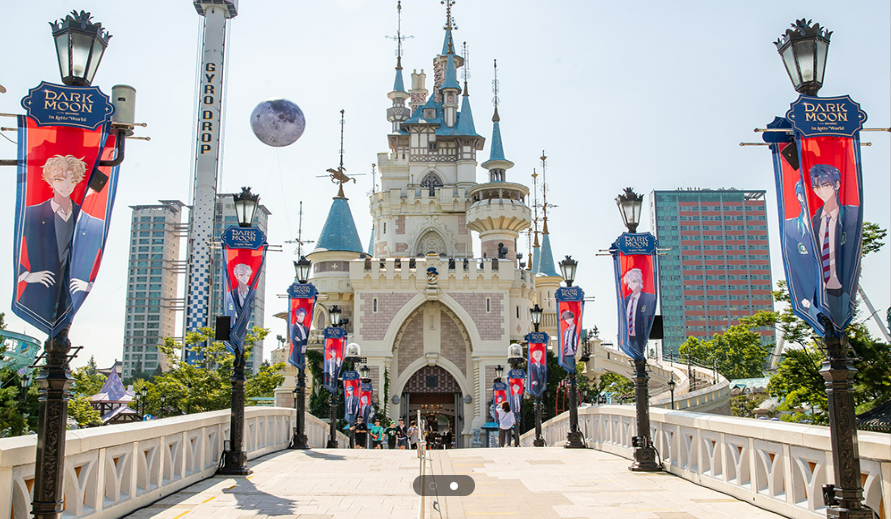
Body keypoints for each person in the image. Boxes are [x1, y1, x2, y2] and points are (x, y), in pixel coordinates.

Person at [17, 155, 94, 322]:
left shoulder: (85, 218)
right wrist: (26, 275)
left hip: (71, 297)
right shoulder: (31, 214)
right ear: (50, 180)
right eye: (60, 180)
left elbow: (96, 251)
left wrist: (88, 283)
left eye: (72, 181)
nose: (66, 186)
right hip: (37, 295)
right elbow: (16, 246)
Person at [809, 164, 860, 321]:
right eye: (816, 187)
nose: (821, 191)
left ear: (836, 185)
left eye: (825, 185)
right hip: (821, 291)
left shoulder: (851, 215)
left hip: (842, 286)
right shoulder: (815, 220)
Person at [783, 180, 821, 324]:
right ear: (799, 196)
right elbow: (792, 266)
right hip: (809, 297)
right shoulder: (790, 227)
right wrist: (801, 298)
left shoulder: (833, 224)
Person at [623, 268, 656, 353]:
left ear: (639, 281)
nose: (631, 285)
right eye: (629, 283)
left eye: (633, 281)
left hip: (640, 336)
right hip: (628, 338)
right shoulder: (626, 300)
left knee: (638, 354)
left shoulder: (649, 298)